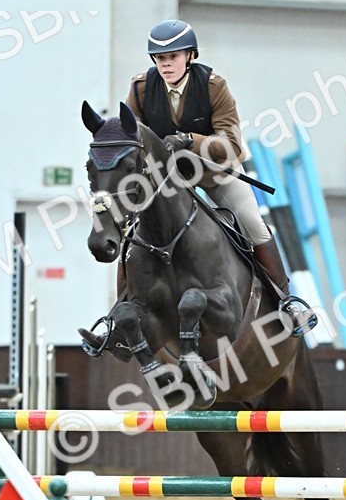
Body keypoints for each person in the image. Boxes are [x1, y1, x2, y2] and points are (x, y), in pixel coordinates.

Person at [126, 19, 317, 335]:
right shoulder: (142, 89)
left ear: (190, 56)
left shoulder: (213, 86)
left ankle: (287, 300)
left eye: (173, 57)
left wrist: (190, 139)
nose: (166, 64)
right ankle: (118, 312)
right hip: (167, 180)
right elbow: (131, 134)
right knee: (131, 236)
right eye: (161, 58)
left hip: (213, 171)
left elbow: (232, 145)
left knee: (252, 223)